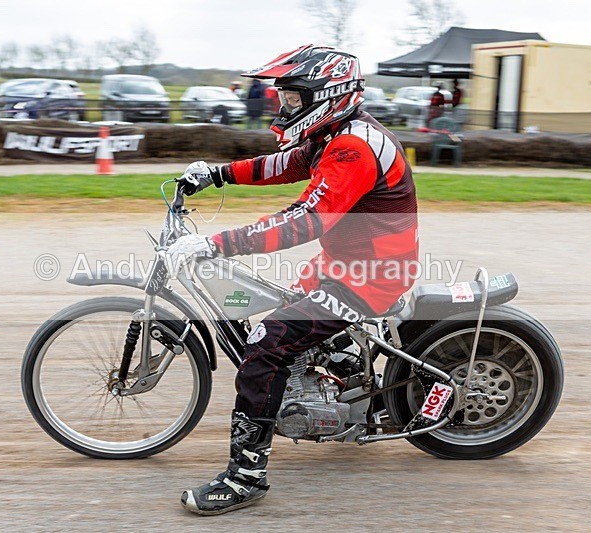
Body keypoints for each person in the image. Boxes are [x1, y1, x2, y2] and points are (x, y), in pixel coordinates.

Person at [172, 45, 418, 515]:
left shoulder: (352, 148)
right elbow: (284, 164)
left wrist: (216, 244)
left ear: (327, 95)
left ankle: (245, 476)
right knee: (278, 312)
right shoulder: (336, 134)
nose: (283, 108)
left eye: (290, 98)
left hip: (371, 276)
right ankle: (345, 376)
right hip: (343, 264)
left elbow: (304, 221)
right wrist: (218, 175)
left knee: (268, 338)